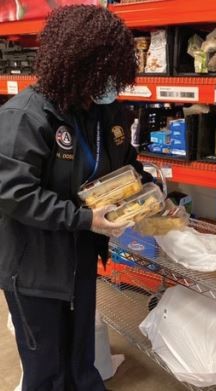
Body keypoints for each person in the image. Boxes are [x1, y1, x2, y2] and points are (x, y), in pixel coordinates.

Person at [0, 5, 152, 390]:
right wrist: (86, 219)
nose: (110, 83)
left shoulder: (107, 113)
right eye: (102, 72)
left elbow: (126, 164)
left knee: (81, 358)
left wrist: (151, 191)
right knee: (46, 369)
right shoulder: (26, 117)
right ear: (75, 64)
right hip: (33, 266)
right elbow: (15, 194)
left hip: (81, 257)